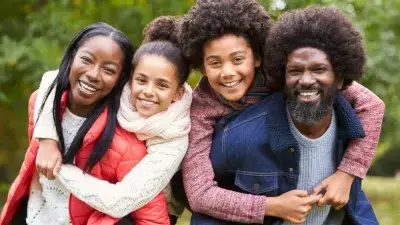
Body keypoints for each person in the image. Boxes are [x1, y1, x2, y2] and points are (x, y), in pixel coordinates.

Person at [180, 0, 384, 224]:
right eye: (215, 63)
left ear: (257, 58)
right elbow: (200, 194)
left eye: (238, 59)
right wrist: (271, 206)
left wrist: (347, 174)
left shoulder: (285, 74)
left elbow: (372, 105)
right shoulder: (201, 108)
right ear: (202, 66)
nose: (228, 72)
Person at [0, 22, 170, 225]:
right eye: (86, 60)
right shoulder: (39, 102)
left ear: (120, 79)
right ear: (71, 57)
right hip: (33, 216)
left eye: (109, 70)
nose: (93, 75)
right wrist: (47, 141)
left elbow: (153, 218)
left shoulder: (125, 144)